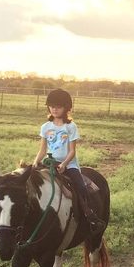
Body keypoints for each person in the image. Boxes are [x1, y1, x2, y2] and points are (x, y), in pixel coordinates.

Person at [32, 89, 105, 235]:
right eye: (52, 106)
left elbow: (72, 151)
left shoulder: (70, 127)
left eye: (58, 106)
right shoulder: (45, 127)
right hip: (49, 163)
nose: (54, 109)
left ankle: (89, 214)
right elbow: (42, 149)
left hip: (68, 164)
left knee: (80, 187)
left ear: (66, 108)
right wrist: (35, 163)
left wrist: (64, 164)